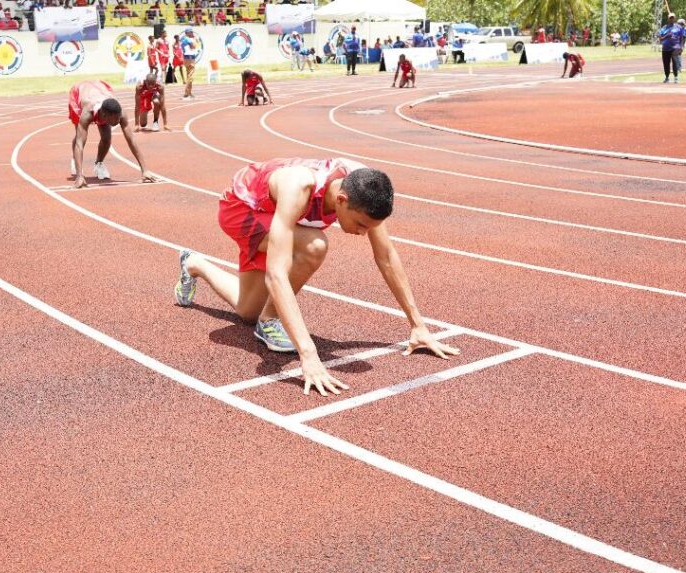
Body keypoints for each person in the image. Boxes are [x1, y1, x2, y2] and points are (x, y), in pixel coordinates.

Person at [172, 158, 459, 396]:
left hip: (274, 214)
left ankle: (195, 263)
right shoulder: (298, 187)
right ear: (342, 200)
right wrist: (308, 355)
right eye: (360, 225)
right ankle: (269, 323)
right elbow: (277, 275)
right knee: (315, 246)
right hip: (242, 210)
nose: (362, 233)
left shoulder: (363, 184)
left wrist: (417, 325)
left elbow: (385, 256)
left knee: (248, 311)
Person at [67, 80, 157, 188]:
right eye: (115, 119)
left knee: (106, 138)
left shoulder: (119, 112)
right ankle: (75, 161)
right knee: (79, 135)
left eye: (119, 118)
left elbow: (131, 139)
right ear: (104, 115)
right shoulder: (87, 112)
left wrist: (144, 170)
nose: (118, 121)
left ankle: (99, 164)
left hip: (100, 90)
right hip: (80, 92)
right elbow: (80, 143)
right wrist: (80, 176)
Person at [659, 14, 681, 84]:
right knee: (666, 64)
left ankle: (676, 77)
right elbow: (660, 39)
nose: (671, 19)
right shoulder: (664, 28)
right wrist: (666, 36)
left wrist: (681, 47)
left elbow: (682, 37)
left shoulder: (678, 27)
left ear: (675, 19)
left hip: (675, 48)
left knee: (675, 62)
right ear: (668, 19)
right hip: (665, 48)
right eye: (670, 18)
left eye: (673, 18)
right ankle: (667, 77)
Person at [180, 27, 199, 100]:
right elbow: (193, 46)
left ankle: (189, 92)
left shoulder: (184, 39)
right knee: (191, 77)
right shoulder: (188, 39)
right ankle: (186, 93)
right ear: (187, 33)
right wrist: (195, 40)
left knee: (189, 76)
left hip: (187, 58)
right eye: (191, 32)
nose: (192, 33)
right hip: (190, 58)